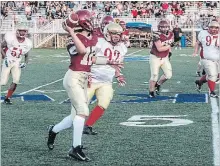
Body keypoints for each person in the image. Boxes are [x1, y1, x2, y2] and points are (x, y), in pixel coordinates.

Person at [47, 11, 123, 161]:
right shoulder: (73, 39)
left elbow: (91, 58)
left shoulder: (92, 36)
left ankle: (53, 130)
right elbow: (81, 51)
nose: (93, 21)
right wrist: (71, 31)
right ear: (83, 22)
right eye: (90, 19)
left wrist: (109, 62)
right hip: (73, 78)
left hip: (84, 78)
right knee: (83, 111)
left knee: (75, 116)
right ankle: (75, 148)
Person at [83, 22, 127, 135]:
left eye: (118, 34)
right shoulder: (99, 43)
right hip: (92, 77)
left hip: (106, 81)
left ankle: (88, 126)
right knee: (82, 105)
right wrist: (86, 73)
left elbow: (114, 64)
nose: (117, 36)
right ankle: (66, 125)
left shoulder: (122, 48)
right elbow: (87, 58)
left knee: (104, 103)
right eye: (113, 33)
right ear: (107, 33)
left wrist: (118, 74)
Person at [1, 23, 32, 104]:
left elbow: (27, 54)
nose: (22, 33)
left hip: (17, 63)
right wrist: (5, 57)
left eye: (24, 31)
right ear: (17, 31)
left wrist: (25, 63)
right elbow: (1, 46)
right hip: (8, 61)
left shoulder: (27, 43)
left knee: (16, 81)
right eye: (20, 31)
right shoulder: (11, 39)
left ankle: (7, 98)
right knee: (3, 82)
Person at [193, 20, 220, 97]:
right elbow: (198, 43)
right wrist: (195, 51)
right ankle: (212, 92)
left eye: (216, 28)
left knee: (217, 75)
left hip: (217, 58)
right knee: (212, 75)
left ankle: (199, 82)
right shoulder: (203, 33)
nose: (214, 29)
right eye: (212, 27)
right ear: (208, 28)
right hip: (206, 58)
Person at [148, 20, 174, 98]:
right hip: (155, 57)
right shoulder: (156, 35)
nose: (164, 28)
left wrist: (169, 53)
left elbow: (168, 46)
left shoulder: (171, 34)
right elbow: (159, 48)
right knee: (154, 75)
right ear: (159, 27)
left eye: (165, 27)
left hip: (164, 57)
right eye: (162, 27)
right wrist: (169, 46)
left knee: (168, 75)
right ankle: (151, 91)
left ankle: (158, 84)